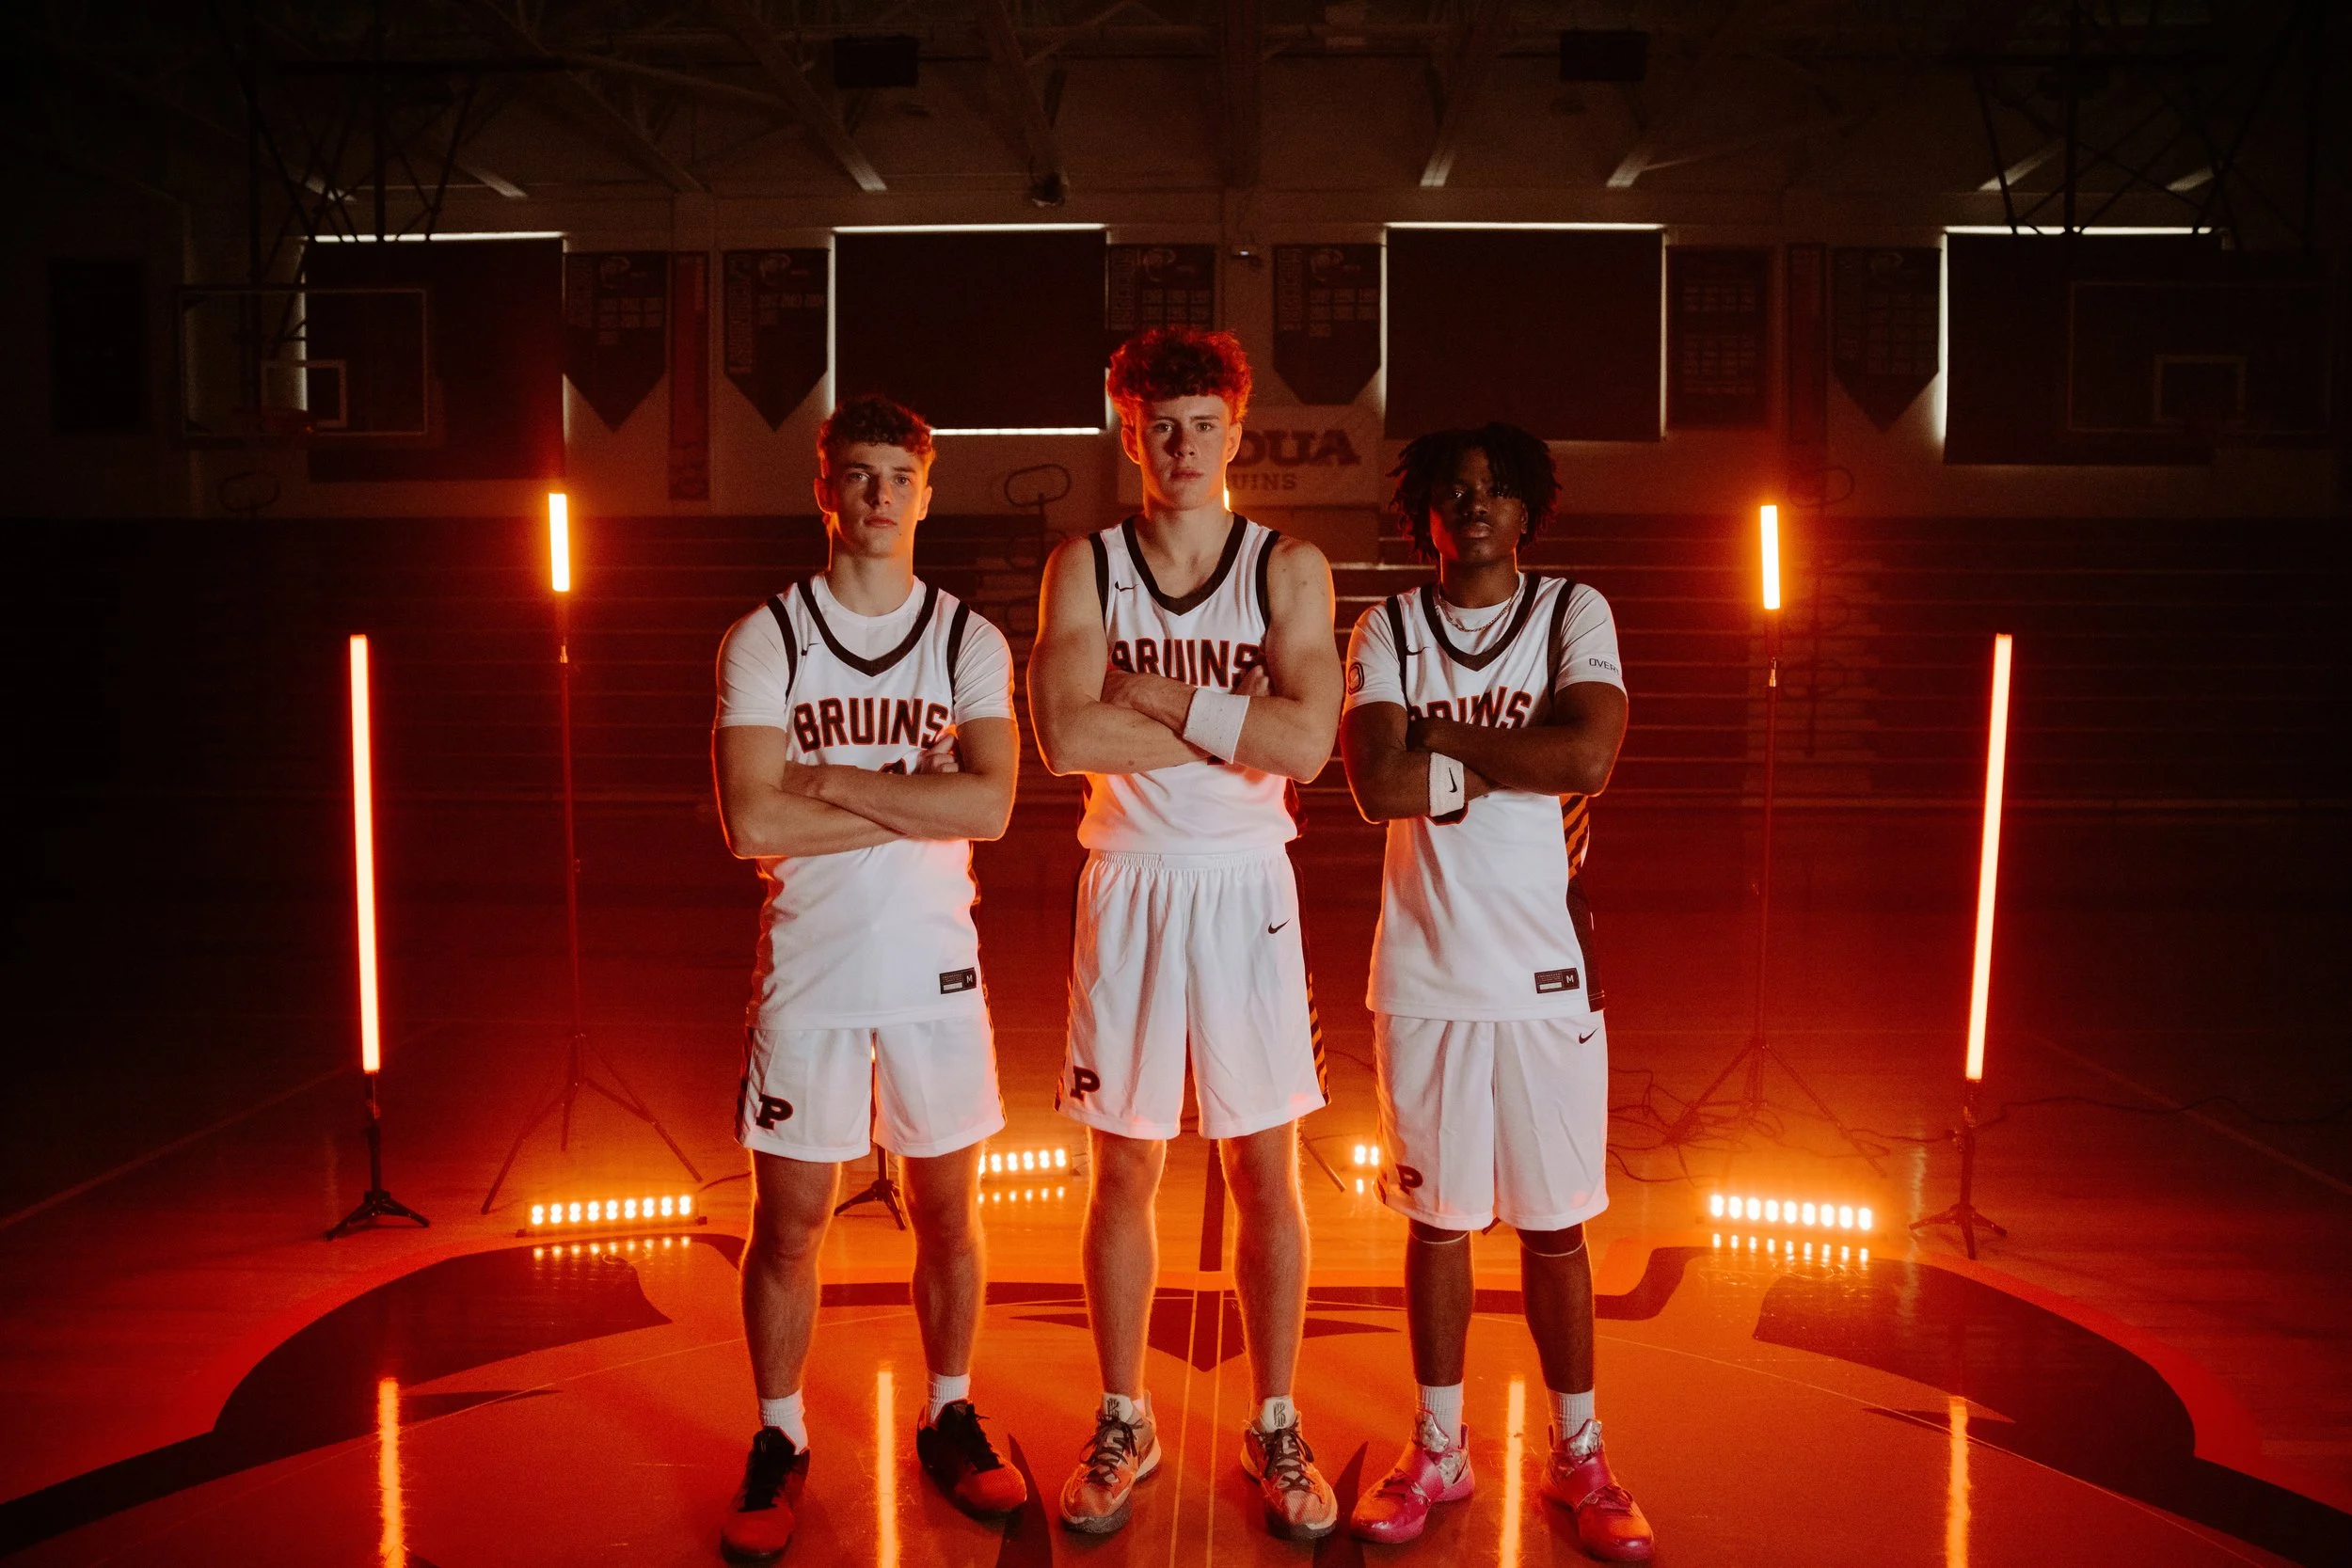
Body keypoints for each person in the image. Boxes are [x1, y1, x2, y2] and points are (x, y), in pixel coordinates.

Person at [1026, 326, 1346, 1541]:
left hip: (1247, 884)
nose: (1183, 445)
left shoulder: (1287, 567)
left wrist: (1150, 693)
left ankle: (1275, 1418)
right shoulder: (1086, 564)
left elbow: (1305, 744)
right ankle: (1126, 1414)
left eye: (1204, 424)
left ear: (1236, 432)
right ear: (1129, 434)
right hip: (1130, 879)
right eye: (1160, 425)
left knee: (1265, 1164)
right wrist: (1233, 720)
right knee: (1124, 1165)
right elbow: (1067, 736)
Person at [709, 394, 1025, 1561]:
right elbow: (750, 820)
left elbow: (989, 806)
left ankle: (948, 1411)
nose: (879, 494)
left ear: (925, 494)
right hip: (812, 966)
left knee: (947, 1212)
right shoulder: (767, 638)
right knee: (790, 1222)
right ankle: (781, 1433)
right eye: (859, 473)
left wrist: (827, 778)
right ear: (825, 489)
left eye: (900, 476)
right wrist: (912, 792)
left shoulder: (967, 640)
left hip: (935, 967)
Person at [1334, 423, 1652, 1560]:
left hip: (1547, 969)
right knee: (1438, 1222)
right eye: (1454, 490)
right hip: (1424, 971)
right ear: (1422, 508)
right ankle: (1440, 1447)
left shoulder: (1573, 612)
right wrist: (1516, 745)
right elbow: (1376, 784)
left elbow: (1587, 758)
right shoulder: (1386, 626)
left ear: (1528, 509)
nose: (1474, 505)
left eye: (1496, 489)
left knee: (1556, 1225)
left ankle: (1580, 1453)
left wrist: (1443, 736)